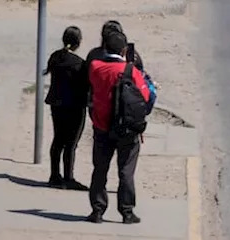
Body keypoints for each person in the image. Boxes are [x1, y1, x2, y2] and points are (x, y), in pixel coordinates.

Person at [86, 30, 152, 224]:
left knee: (100, 169)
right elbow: (146, 97)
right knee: (126, 171)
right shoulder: (132, 71)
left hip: (101, 127)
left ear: (105, 47)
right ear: (124, 50)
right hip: (127, 129)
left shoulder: (95, 68)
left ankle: (97, 210)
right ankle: (127, 212)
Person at [45, 25, 89, 190]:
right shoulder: (79, 63)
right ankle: (68, 177)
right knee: (71, 143)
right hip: (74, 106)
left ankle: (54, 175)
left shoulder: (55, 57)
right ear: (78, 42)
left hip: (57, 104)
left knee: (58, 140)